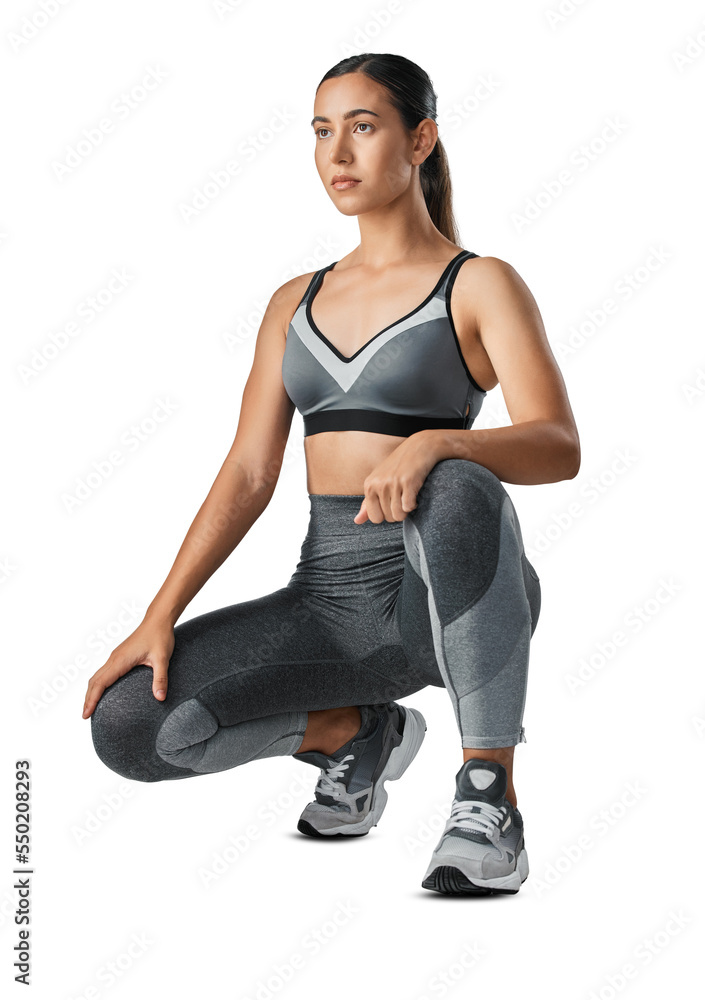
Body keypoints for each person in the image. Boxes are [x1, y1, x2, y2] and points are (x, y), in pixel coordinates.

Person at [82, 52, 580, 897]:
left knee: (457, 483)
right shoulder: (293, 302)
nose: (336, 153)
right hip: (325, 609)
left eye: (362, 126)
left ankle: (488, 798)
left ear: (420, 140)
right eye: (321, 130)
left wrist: (439, 443)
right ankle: (352, 731)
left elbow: (557, 444)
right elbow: (247, 472)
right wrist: (158, 615)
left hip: (439, 595)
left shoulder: (478, 284)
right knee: (131, 726)